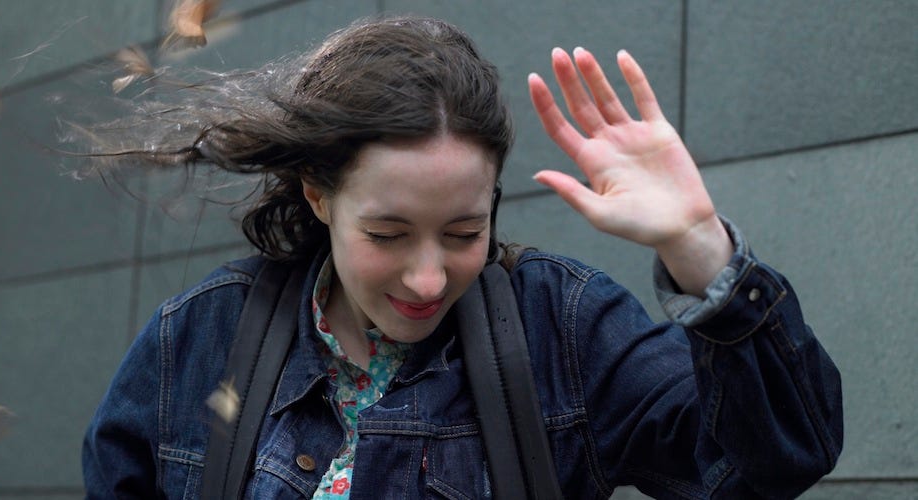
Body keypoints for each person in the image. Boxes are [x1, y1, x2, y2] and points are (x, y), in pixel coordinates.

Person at [80, 15, 843, 499]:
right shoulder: (198, 339)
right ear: (318, 194)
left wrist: (698, 245)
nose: (427, 277)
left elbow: (775, 462)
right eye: (387, 234)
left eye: (462, 233)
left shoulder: (560, 329)